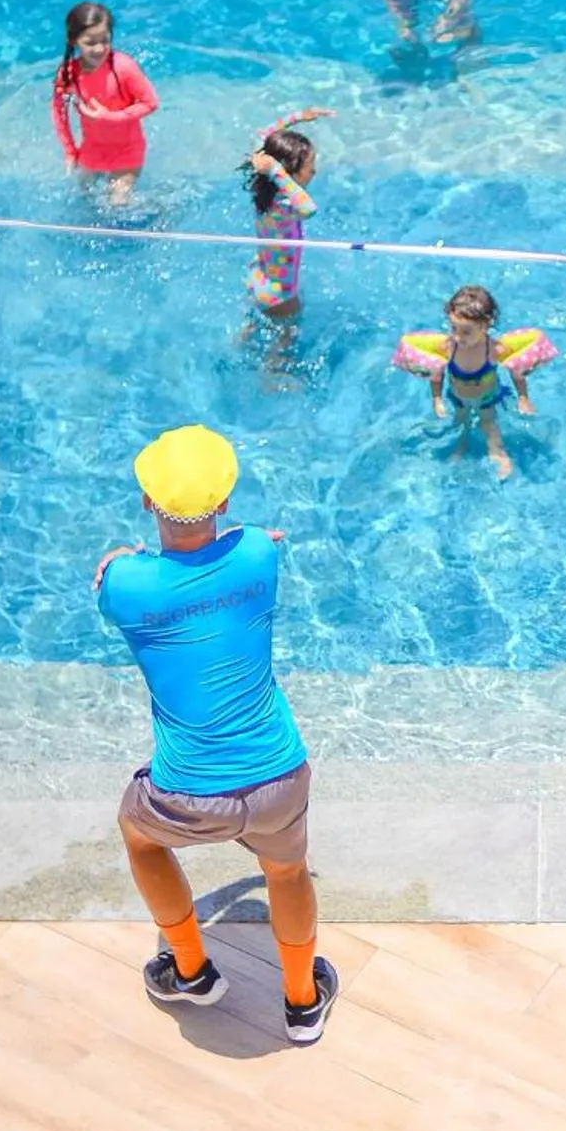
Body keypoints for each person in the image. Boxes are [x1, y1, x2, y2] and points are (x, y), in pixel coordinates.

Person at [95, 424, 337, 1044]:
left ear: (149, 503)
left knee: (138, 835)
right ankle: (303, 1004)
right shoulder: (258, 551)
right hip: (280, 772)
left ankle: (190, 968)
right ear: (225, 502)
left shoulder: (122, 586)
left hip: (188, 793)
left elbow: (117, 577)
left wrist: (119, 564)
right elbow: (248, 542)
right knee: (288, 872)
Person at [393, 283, 556, 480]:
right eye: (453, 328)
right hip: (458, 397)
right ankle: (461, 445)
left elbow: (517, 371)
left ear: (486, 325)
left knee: (489, 424)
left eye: (466, 331)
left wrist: (523, 398)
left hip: (487, 398)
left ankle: (498, 452)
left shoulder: (494, 349)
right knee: (460, 422)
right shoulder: (448, 347)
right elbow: (436, 373)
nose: (458, 336)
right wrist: (436, 398)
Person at [51, 1, 158, 203]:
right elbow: (58, 111)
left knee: (117, 203)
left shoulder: (124, 68)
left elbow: (151, 102)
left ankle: (162, 209)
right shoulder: (68, 73)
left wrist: (108, 117)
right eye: (90, 43)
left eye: (105, 41)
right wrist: (70, 151)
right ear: (74, 41)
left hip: (128, 150)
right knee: (84, 198)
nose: (99, 48)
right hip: (92, 150)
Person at [244, 108, 335, 321]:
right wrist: (277, 171)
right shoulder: (284, 205)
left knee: (251, 329)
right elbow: (309, 209)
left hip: (257, 276)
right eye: (310, 166)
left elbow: (261, 137)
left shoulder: (264, 190)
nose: (314, 171)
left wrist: (298, 117)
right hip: (279, 293)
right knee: (283, 346)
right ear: (289, 170)